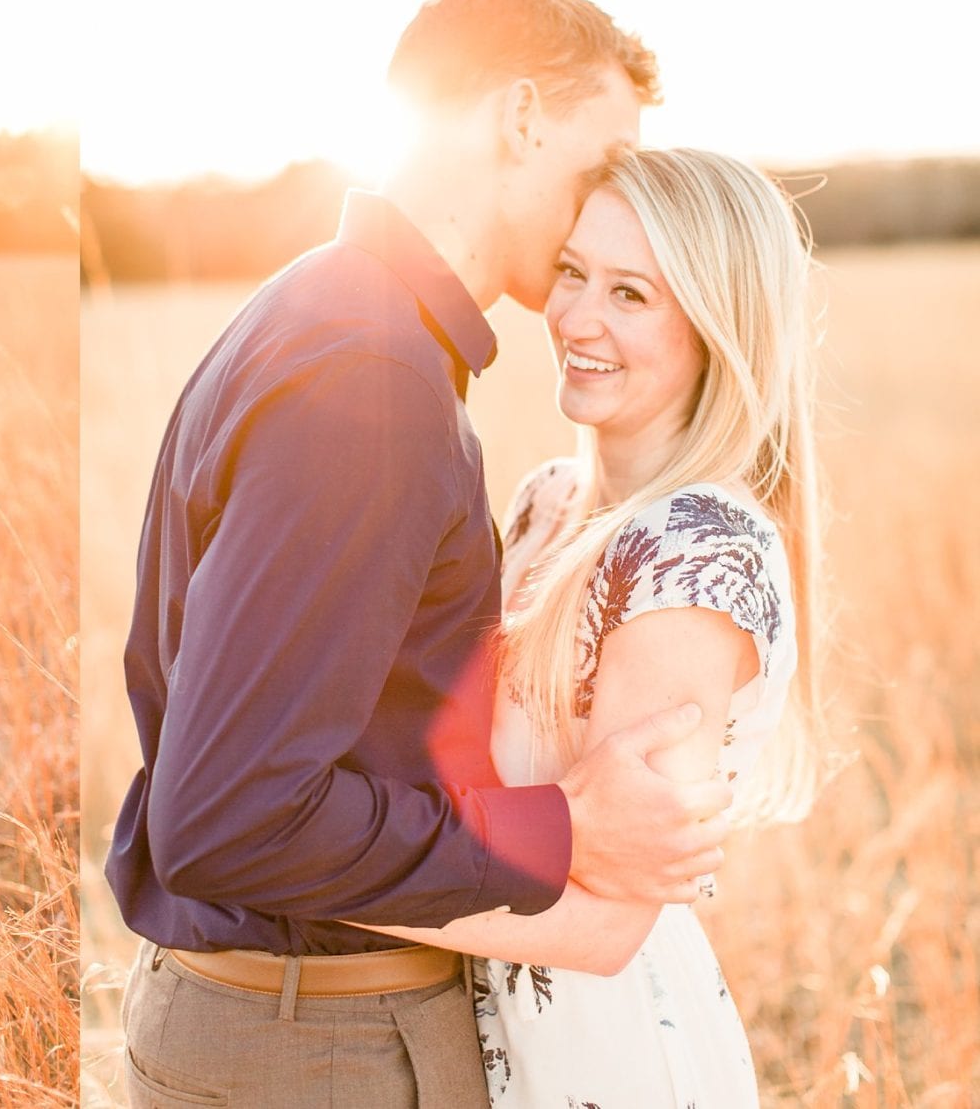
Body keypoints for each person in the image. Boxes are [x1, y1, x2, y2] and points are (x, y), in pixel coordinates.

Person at [107, 0, 736, 1107]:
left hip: (267, 1025)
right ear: (521, 120)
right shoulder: (376, 379)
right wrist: (556, 828)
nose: (606, 205)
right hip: (318, 1052)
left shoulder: (324, 311)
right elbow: (229, 812)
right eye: (601, 165)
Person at [348, 147, 827, 1106]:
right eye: (574, 273)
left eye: (633, 295)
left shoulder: (701, 552)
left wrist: (308, 871)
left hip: (609, 1056)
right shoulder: (548, 504)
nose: (576, 317)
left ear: (716, 325)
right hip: (481, 1028)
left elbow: (606, 925)